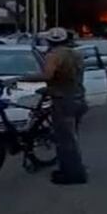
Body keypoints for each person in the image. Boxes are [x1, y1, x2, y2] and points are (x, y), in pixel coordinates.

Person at [24, 26, 88, 185]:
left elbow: (47, 75)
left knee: (65, 140)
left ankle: (73, 175)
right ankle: (69, 169)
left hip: (63, 101)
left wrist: (19, 78)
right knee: (71, 137)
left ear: (51, 41)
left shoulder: (54, 55)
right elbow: (70, 77)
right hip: (78, 99)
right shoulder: (76, 53)